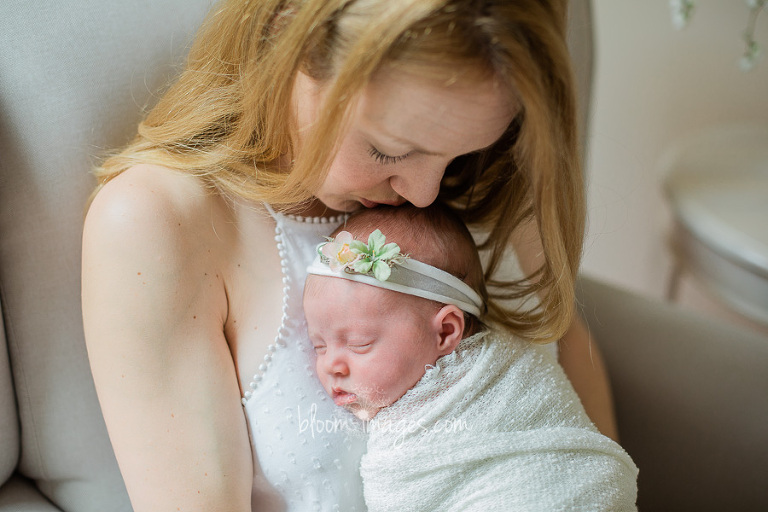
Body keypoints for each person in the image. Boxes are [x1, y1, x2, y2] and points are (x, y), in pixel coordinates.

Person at [81, 0, 617, 510]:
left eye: (462, 152)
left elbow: (569, 382)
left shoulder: (490, 173)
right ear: (286, 36)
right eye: (390, 149)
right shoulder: (158, 224)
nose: (428, 193)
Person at [304, 204, 637, 511]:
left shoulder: (503, 369)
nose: (331, 364)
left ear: (447, 333)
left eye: (360, 343)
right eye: (319, 345)